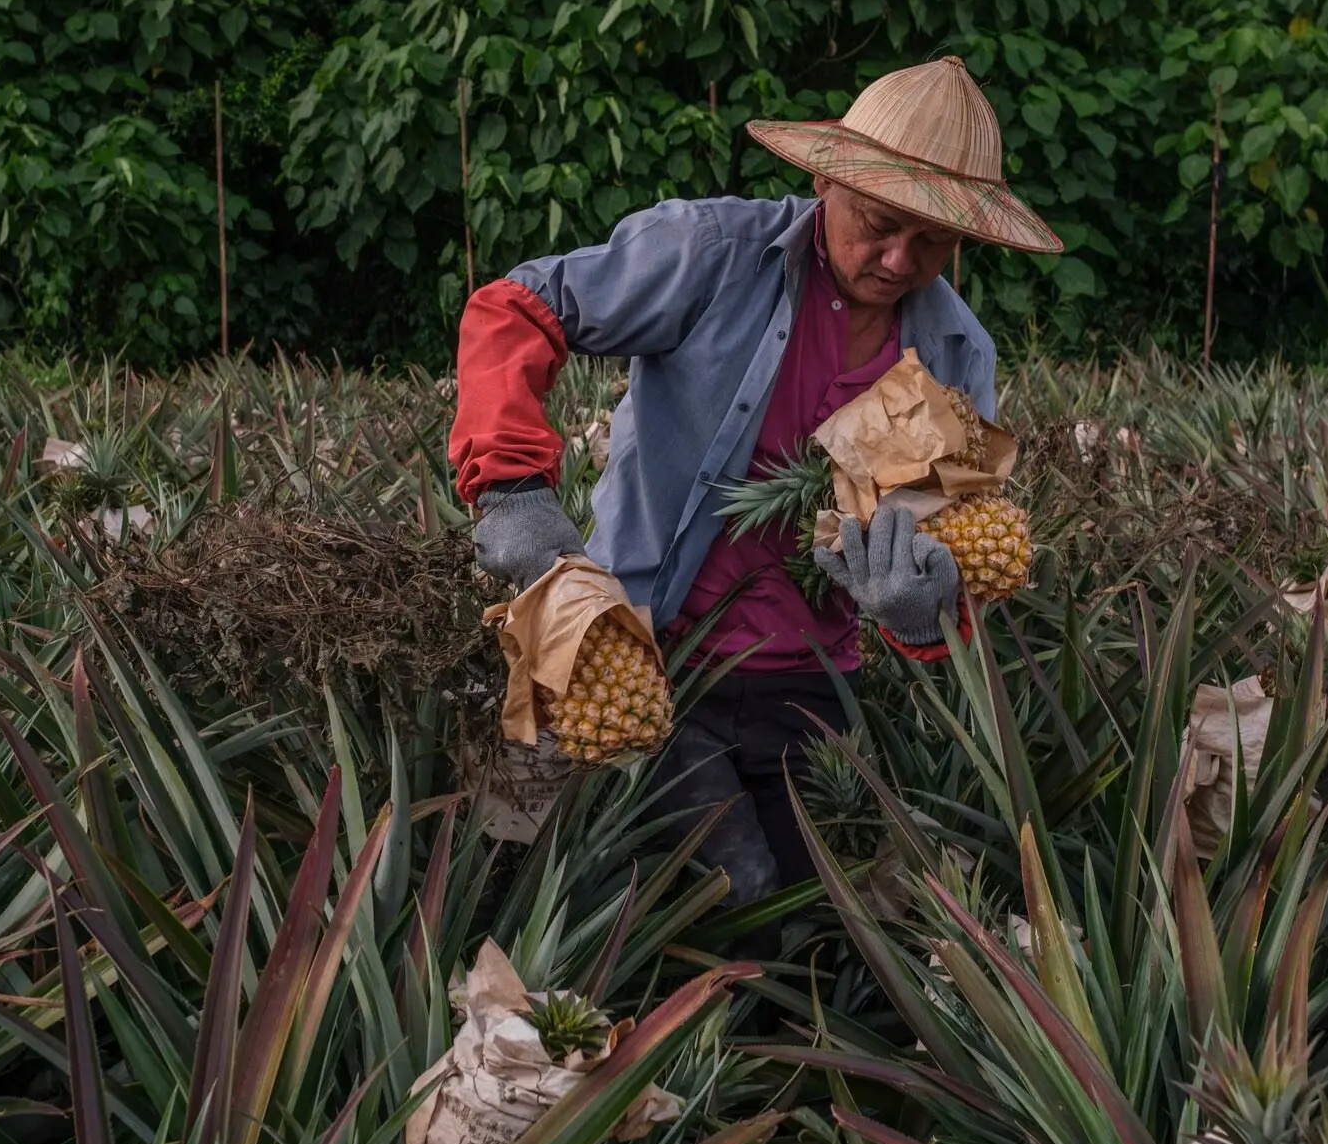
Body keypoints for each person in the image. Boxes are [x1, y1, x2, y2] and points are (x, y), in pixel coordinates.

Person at [448, 55, 1062, 951]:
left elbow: (941, 586)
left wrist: (919, 612)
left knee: (824, 929)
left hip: (817, 684)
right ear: (826, 178)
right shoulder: (710, 255)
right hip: (653, 657)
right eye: (880, 225)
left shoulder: (955, 355)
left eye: (932, 242)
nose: (899, 262)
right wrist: (509, 488)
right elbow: (515, 307)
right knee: (731, 897)